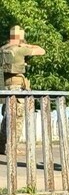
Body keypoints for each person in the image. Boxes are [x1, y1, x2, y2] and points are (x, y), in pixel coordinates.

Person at [0, 26, 45, 155]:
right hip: (17, 87)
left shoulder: (3, 49)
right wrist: (28, 45)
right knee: (17, 118)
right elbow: (41, 51)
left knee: (7, 117)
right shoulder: (20, 49)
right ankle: (12, 147)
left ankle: (2, 145)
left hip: (4, 86)